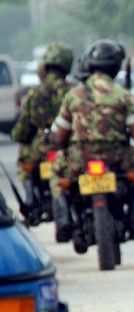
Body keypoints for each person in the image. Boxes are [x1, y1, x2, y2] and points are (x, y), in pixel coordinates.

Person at [50, 39, 134, 241]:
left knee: (55, 171)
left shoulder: (74, 94)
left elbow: (60, 136)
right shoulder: (122, 94)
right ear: (115, 67)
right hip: (116, 156)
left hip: (79, 157)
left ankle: (64, 219)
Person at [11, 42, 74, 225]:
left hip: (41, 146)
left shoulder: (35, 93)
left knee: (24, 161)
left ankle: (31, 197)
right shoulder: (74, 91)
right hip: (67, 146)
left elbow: (23, 128)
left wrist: (18, 136)